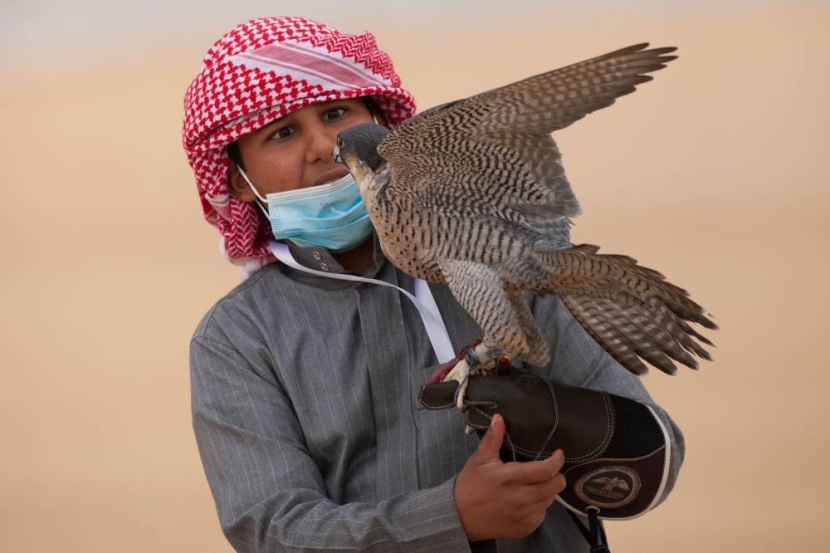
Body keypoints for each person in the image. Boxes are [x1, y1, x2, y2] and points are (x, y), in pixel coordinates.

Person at [182, 16, 684, 552]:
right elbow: (271, 530)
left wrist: (569, 428)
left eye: (335, 113)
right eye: (282, 132)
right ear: (237, 179)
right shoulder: (238, 337)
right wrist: (452, 517)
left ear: (382, 125)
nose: (324, 146)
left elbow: (655, 458)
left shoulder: (486, 241)